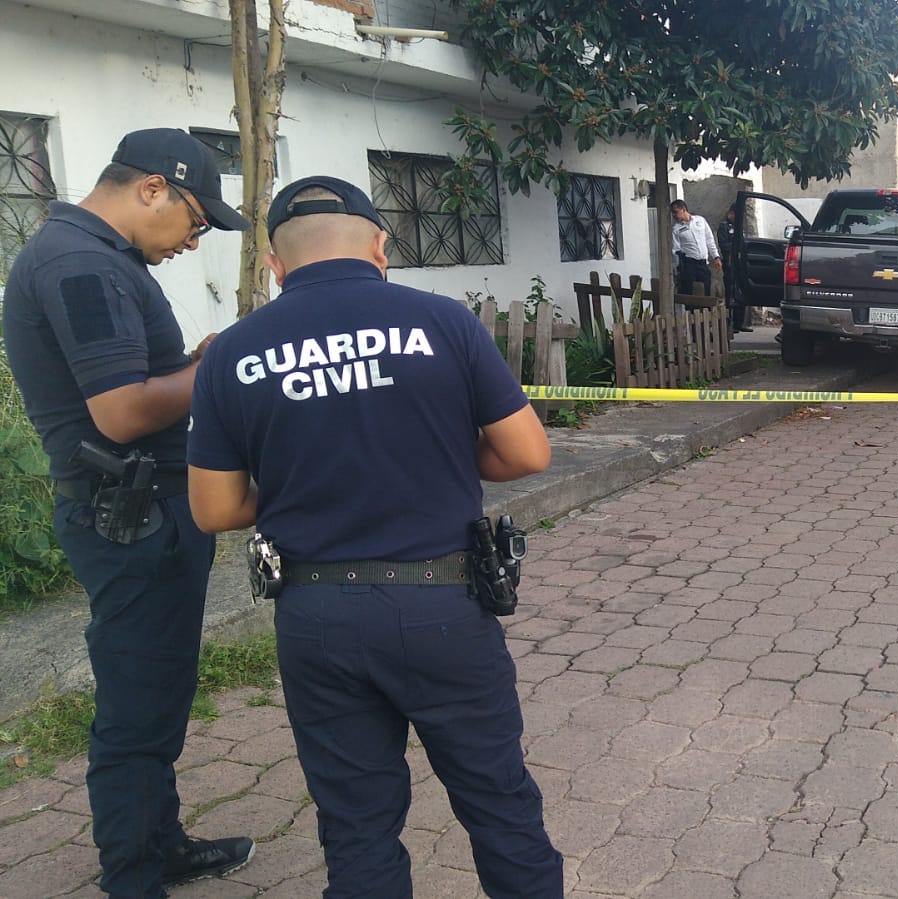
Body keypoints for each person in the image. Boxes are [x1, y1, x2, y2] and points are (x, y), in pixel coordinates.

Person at [185, 177, 563, 898]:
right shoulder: (442, 323)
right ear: (380, 247)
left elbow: (213, 508)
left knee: (356, 825)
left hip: (317, 616)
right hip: (443, 605)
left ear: (274, 263)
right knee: (498, 800)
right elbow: (526, 454)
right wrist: (439, 456)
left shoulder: (232, 352)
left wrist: (302, 483)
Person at [2, 128, 255, 896]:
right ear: (153, 188)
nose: (192, 240)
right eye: (196, 221)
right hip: (132, 515)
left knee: (157, 692)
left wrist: (185, 364)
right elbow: (119, 411)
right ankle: (134, 876)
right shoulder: (81, 262)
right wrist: (216, 371)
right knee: (138, 708)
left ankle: (159, 843)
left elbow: (134, 382)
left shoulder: (94, 254)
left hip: (143, 510)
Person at [670, 199, 720, 298]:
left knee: (706, 291)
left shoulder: (700, 220)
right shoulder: (676, 229)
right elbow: (675, 250)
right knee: (690, 293)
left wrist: (716, 257)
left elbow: (709, 239)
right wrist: (677, 268)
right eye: (672, 213)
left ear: (683, 209)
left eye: (675, 212)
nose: (674, 215)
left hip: (703, 263)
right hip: (689, 264)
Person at [716, 207, 752, 336]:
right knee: (730, 293)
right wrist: (736, 247)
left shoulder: (740, 227)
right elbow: (724, 244)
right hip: (730, 263)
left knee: (741, 291)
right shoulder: (724, 227)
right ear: (730, 213)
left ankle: (740, 322)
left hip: (741, 264)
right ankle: (729, 323)